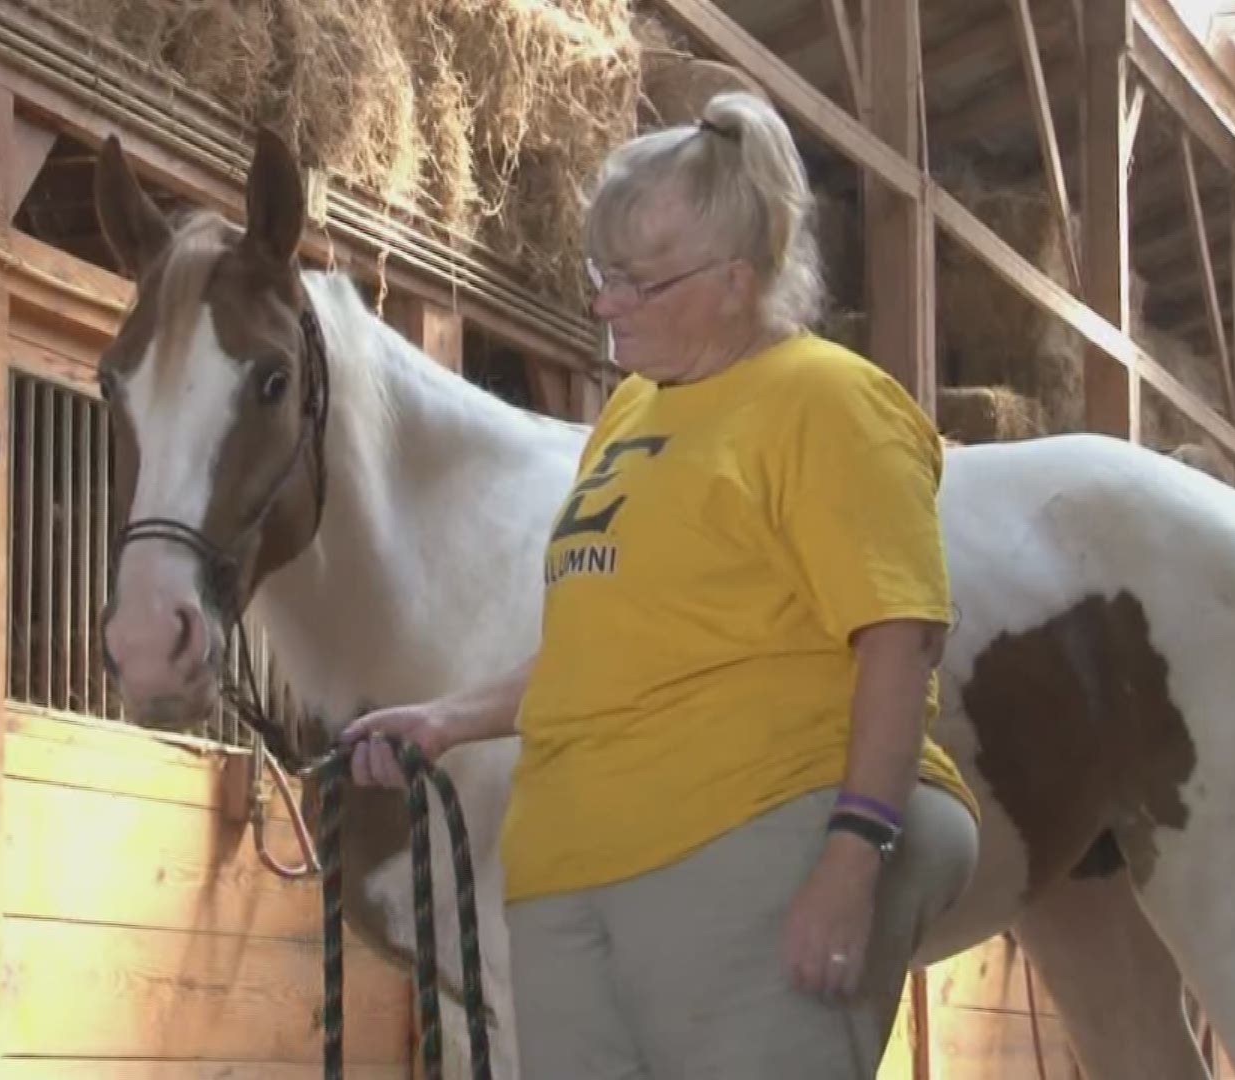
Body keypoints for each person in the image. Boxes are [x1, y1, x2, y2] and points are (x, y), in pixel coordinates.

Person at [338, 90, 981, 1078]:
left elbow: (900, 637)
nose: (604, 306)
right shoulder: (632, 412)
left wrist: (850, 860)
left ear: (738, 279)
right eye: (602, 275)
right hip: (574, 868)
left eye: (638, 283)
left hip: (750, 835)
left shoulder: (826, 400)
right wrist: (447, 719)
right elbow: (604, 650)